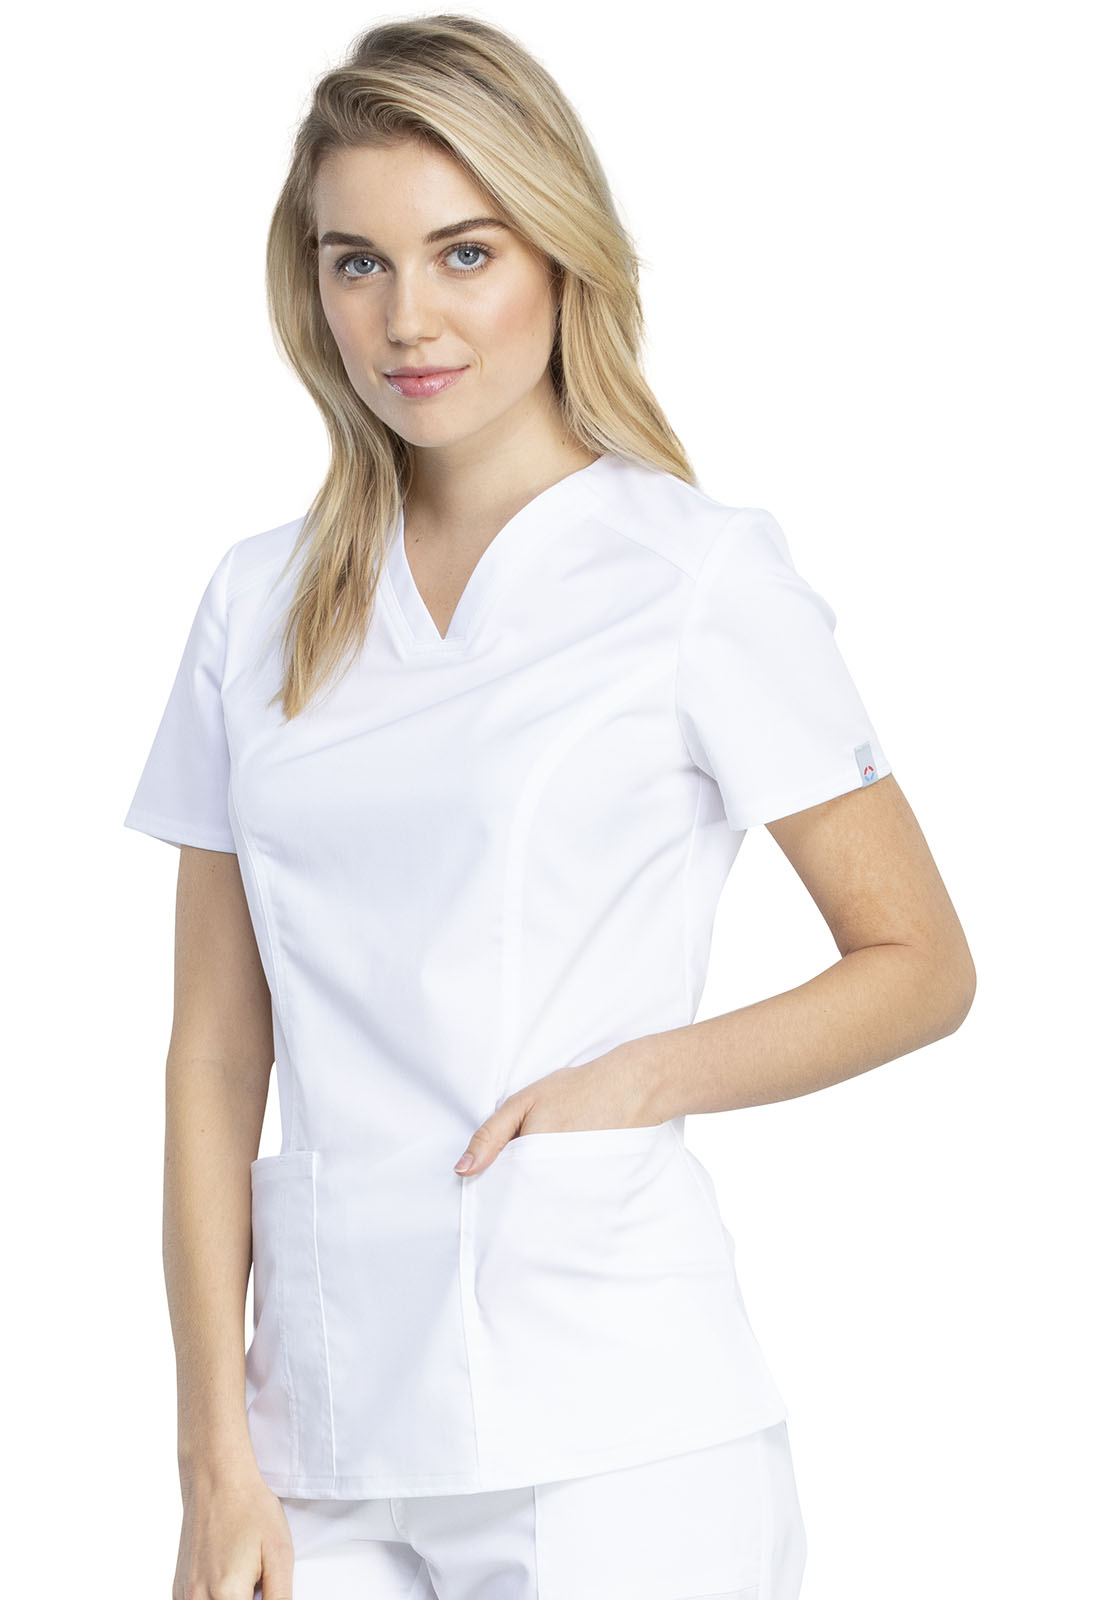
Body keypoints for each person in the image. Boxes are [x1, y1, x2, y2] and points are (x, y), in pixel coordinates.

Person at [123, 15, 976, 1600]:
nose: (408, 318)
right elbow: (217, 1053)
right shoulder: (257, 604)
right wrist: (212, 1459)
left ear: (560, 253)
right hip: (318, 1435)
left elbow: (920, 962)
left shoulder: (695, 576)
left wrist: (635, 1080)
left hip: (617, 1427)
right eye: (358, 263)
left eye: (465, 251)